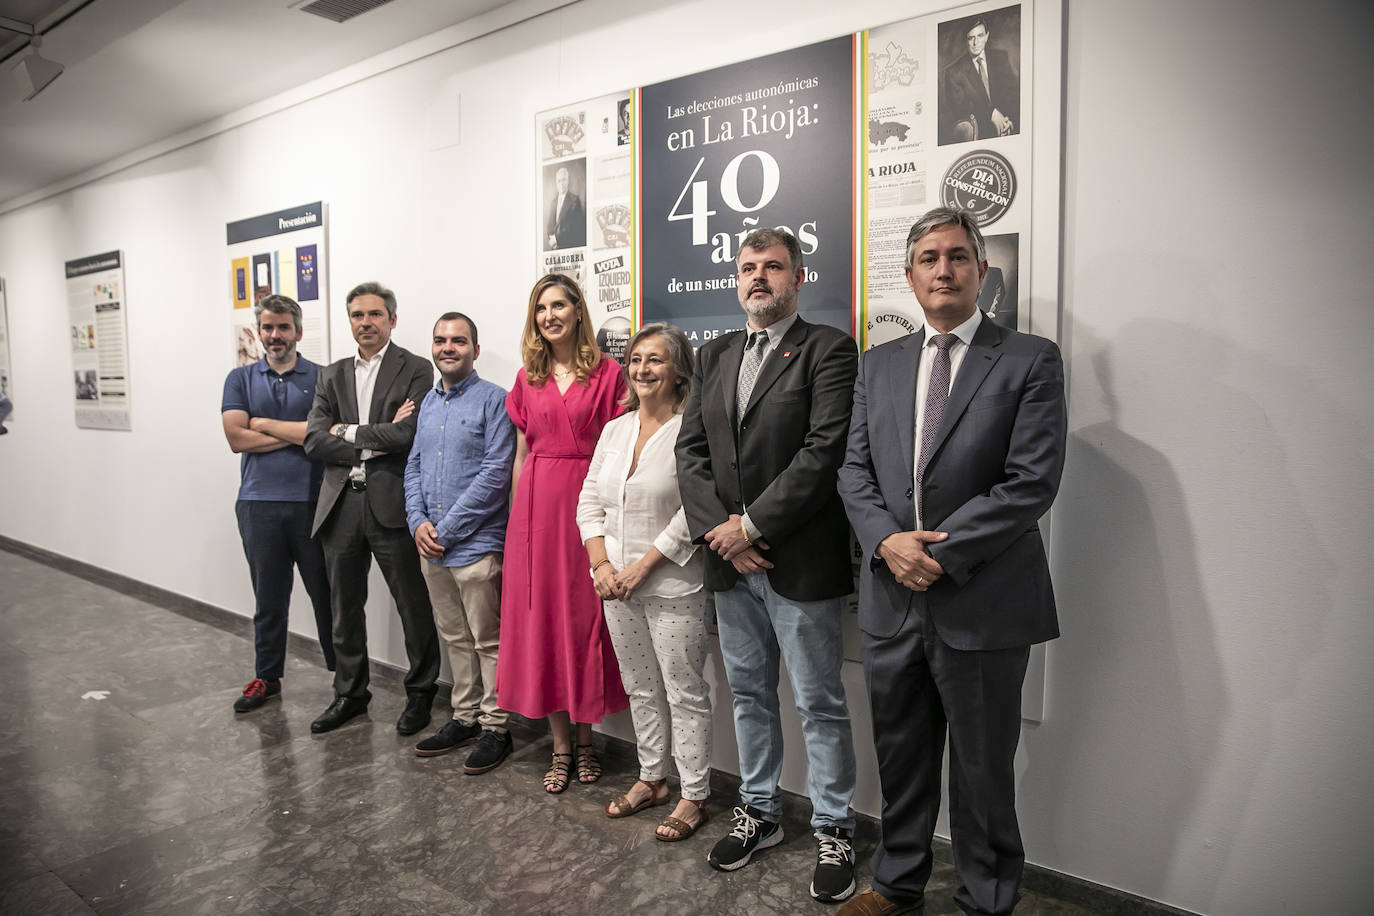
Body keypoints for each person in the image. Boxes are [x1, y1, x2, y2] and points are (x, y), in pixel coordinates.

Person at [836, 208, 1067, 916]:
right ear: (909, 276)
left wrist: (935, 554)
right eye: (930, 258)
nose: (944, 269)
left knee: (982, 770)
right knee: (900, 760)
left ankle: (987, 897)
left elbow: (1031, 480)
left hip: (985, 602)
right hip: (892, 603)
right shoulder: (879, 364)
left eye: (959, 257)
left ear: (983, 272)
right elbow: (853, 472)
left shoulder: (1029, 359)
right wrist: (886, 542)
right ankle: (896, 884)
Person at [675, 228, 860, 902]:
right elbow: (689, 452)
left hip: (799, 564)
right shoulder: (715, 353)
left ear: (798, 278)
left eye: (773, 267)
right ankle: (761, 811)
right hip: (730, 568)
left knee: (819, 703)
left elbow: (824, 452)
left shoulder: (829, 350)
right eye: (748, 267)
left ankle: (835, 826)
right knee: (750, 696)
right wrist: (721, 536)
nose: (759, 278)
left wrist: (748, 526)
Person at [577, 323, 712, 841]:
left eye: (655, 360)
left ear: (678, 370)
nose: (642, 370)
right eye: (635, 360)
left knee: (685, 692)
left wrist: (642, 566)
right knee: (640, 688)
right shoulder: (616, 428)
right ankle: (652, 779)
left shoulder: (691, 430)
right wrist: (601, 565)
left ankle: (694, 794)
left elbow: (692, 512)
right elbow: (590, 500)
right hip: (615, 586)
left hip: (672, 585)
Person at [498, 273, 628, 793]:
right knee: (542, 624)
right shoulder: (526, 378)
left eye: (558, 305)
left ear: (578, 311)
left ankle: (586, 741)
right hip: (535, 512)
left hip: (587, 506)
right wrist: (515, 522)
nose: (549, 316)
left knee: (584, 622)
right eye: (540, 308)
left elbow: (618, 450)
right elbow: (522, 454)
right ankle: (557, 746)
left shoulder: (611, 373)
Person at [304, 282, 441, 736]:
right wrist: (370, 435)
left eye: (375, 315)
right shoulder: (331, 374)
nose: (366, 322)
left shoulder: (417, 368)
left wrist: (345, 431)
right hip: (340, 503)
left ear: (392, 320)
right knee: (344, 606)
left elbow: (409, 436)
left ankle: (420, 694)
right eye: (358, 315)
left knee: (412, 604)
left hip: (392, 502)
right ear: (350, 321)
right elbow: (313, 440)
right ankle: (350, 693)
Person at [404, 312, 517, 773]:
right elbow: (412, 466)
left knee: (488, 641)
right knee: (453, 636)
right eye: (440, 340)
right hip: (430, 546)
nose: (448, 347)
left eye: (458, 340)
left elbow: (496, 475)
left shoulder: (496, 401)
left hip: (475, 547)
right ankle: (465, 717)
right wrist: (416, 521)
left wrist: (445, 530)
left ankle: (496, 727)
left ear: (474, 347)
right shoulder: (427, 403)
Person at [220, 295, 335, 712]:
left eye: (283, 327)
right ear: (259, 332)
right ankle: (267, 677)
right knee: (268, 598)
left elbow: (324, 434)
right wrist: (298, 433)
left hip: (313, 503)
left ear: (298, 332)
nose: (275, 335)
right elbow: (236, 439)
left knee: (327, 596)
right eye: (267, 328)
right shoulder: (240, 379)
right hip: (258, 505)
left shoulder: (322, 377)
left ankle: (345, 679)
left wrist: (263, 423)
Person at [938, 17, 1020, 143]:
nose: (976, 43)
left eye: (980, 36)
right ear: (966, 40)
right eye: (971, 38)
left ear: (987, 36)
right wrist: (991, 114)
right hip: (978, 138)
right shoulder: (953, 71)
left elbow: (1014, 96)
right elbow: (960, 109)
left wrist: (1009, 122)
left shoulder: (1001, 58)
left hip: (1008, 131)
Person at [545, 166, 586, 250]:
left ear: (568, 181)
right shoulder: (553, 202)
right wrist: (551, 240)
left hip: (568, 247)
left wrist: (556, 239)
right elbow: (549, 226)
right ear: (556, 183)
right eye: (559, 181)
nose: (561, 184)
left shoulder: (575, 200)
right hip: (555, 249)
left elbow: (574, 227)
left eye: (563, 180)